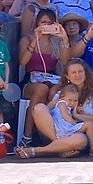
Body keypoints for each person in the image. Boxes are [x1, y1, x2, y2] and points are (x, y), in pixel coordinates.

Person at [18, 8, 70, 144]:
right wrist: (35, 41)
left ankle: (55, 133)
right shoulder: (27, 39)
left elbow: (64, 61)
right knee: (42, 89)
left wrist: (64, 39)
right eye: (43, 22)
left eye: (49, 23)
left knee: (54, 91)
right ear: (37, 23)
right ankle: (27, 134)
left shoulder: (56, 41)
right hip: (31, 80)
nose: (45, 26)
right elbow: (23, 62)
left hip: (52, 79)